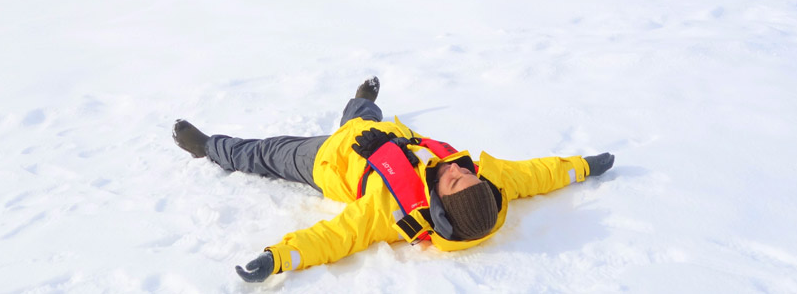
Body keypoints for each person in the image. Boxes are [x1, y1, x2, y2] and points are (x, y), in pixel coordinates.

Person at [172, 77, 615, 283]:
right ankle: (360, 103)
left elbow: (335, 237)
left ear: (441, 204)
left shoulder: (393, 213)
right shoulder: (487, 183)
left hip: (326, 159)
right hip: (382, 135)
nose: (460, 170)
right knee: (364, 115)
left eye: (456, 182)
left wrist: (278, 258)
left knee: (264, 153)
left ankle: (210, 147)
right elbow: (537, 175)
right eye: (467, 177)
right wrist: (583, 167)